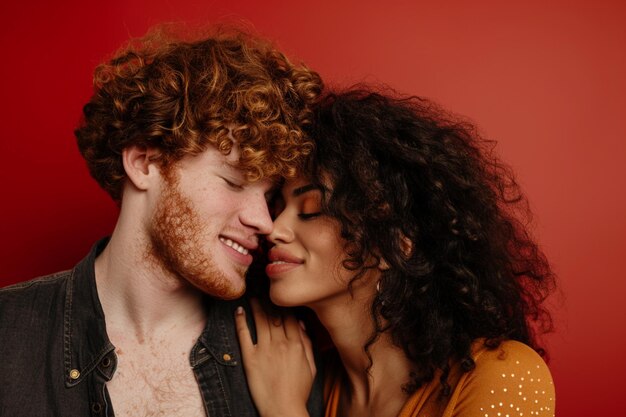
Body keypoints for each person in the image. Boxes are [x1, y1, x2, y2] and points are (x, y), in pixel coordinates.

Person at [0, 26, 325, 417]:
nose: (264, 221)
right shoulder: (9, 334)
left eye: (269, 197)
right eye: (234, 181)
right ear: (144, 163)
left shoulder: (287, 356)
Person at [236, 89, 557, 417]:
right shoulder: (310, 377)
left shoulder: (504, 374)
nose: (274, 228)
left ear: (397, 242)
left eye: (312, 208)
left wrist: (284, 409)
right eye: (277, 207)